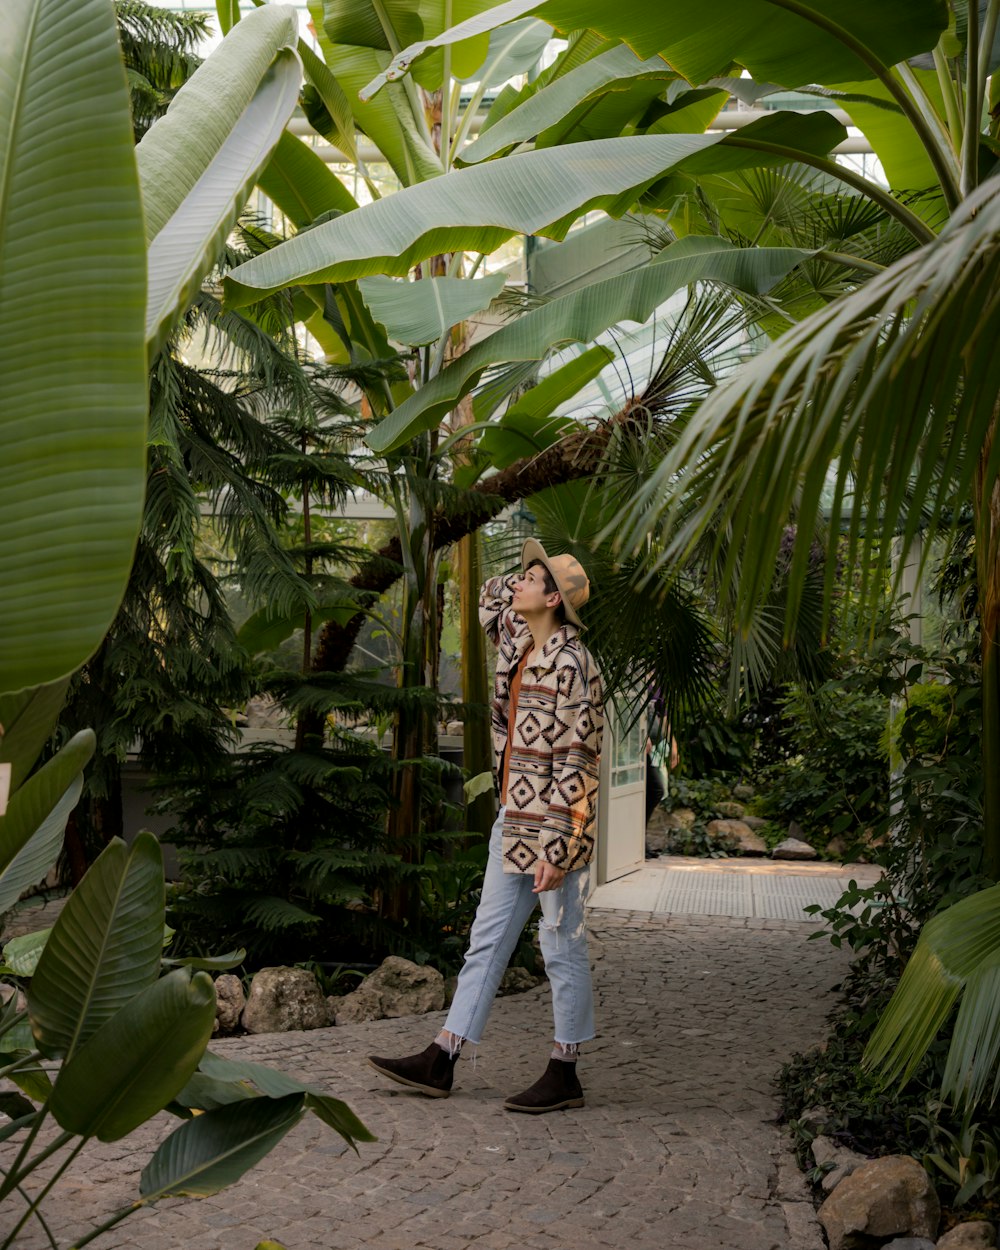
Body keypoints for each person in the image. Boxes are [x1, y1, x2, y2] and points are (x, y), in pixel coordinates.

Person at [368, 539, 604, 1114]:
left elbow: (579, 758)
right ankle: (442, 1057)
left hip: (554, 830)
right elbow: (487, 597)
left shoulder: (577, 665)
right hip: (512, 818)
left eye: (531, 579)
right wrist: (531, 576)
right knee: (486, 938)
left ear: (554, 599)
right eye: (521, 576)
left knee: (559, 943)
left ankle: (564, 1068)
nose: (516, 583)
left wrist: (561, 844)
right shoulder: (519, 640)